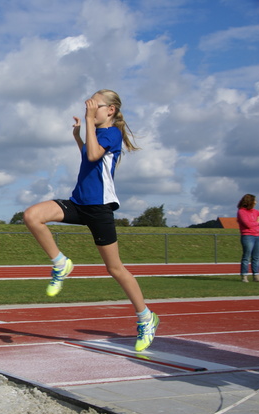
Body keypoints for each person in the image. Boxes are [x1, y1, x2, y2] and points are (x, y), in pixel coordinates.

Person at [23, 89, 159, 352]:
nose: (90, 109)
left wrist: (87, 120)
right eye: (89, 105)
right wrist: (78, 136)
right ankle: (60, 263)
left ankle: (145, 318)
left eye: (95, 105)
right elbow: (88, 154)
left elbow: (95, 155)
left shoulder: (112, 133)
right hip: (78, 203)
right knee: (32, 216)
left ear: (110, 110)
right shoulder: (97, 134)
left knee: (115, 269)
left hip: (99, 209)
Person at [236, 194, 259, 283]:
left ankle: (256, 275)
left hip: (258, 236)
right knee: (246, 256)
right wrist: (257, 222)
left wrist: (258, 221)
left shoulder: (255, 211)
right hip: (248, 236)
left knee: (256, 257)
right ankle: (244, 276)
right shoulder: (241, 212)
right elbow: (248, 224)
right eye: (254, 200)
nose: (256, 202)